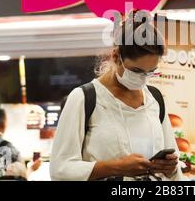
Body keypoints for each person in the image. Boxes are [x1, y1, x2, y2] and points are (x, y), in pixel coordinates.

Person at [50, 11, 183, 181]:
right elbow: (60, 168)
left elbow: (174, 161)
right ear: (116, 57)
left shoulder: (155, 99)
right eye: (136, 71)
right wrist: (118, 167)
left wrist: (170, 167)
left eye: (150, 72)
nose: (142, 79)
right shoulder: (85, 98)